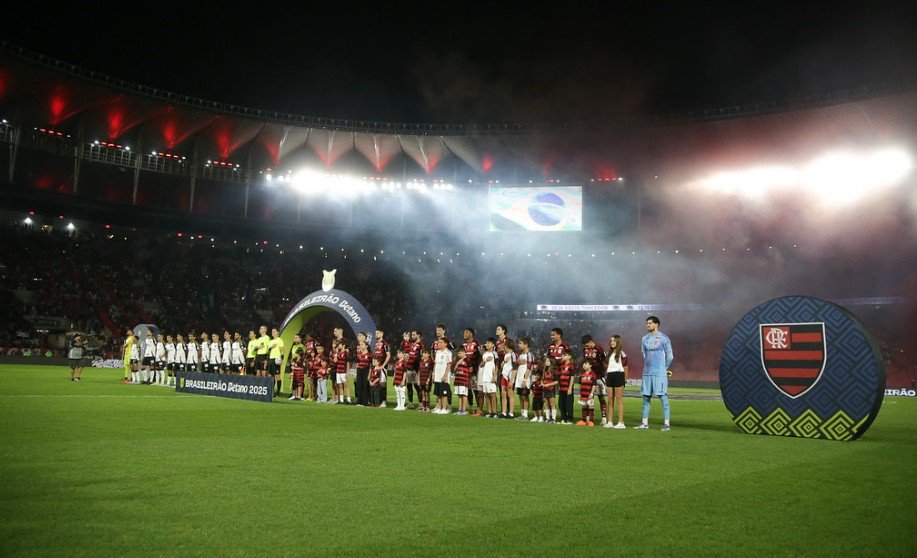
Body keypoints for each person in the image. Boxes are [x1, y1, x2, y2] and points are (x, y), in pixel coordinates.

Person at [635, 316, 674, 431]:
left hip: (659, 373)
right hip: (647, 372)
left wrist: (664, 367)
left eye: (650, 323)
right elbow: (644, 354)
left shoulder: (663, 337)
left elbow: (670, 356)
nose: (648, 325)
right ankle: (644, 423)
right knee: (646, 398)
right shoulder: (644, 339)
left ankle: (666, 424)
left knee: (663, 397)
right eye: (647, 323)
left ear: (657, 324)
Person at [582, 335, 608, 425]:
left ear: (591, 341)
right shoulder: (585, 349)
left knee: (601, 397)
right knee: (589, 397)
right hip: (589, 377)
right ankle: (589, 418)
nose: (586, 346)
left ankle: (604, 417)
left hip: (599, 376)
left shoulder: (599, 348)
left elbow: (605, 361)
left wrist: (603, 372)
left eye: (587, 344)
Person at [604, 335, 629, 429]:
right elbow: (606, 365)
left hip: (619, 375)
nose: (612, 342)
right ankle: (609, 421)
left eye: (614, 341)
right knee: (610, 400)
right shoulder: (608, 353)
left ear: (618, 342)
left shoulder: (622, 353)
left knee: (619, 400)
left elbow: (626, 367)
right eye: (611, 341)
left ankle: (621, 422)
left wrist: (625, 380)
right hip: (610, 375)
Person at [462, 328, 482, 416]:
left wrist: (476, 369)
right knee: (468, 390)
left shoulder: (477, 344)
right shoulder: (463, 344)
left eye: (466, 332)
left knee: (475, 390)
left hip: (474, 371)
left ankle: (479, 409)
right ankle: (470, 408)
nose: (464, 333)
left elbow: (481, 356)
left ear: (471, 334)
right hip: (465, 371)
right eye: (464, 332)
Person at [513, 336, 534, 420]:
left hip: (525, 379)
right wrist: (518, 362)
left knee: (525, 396)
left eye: (521, 343)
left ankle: (525, 415)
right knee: (520, 396)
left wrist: (525, 379)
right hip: (519, 378)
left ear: (526, 345)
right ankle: (522, 414)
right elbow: (516, 364)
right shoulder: (521, 355)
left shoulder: (529, 355)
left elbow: (529, 368)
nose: (519, 345)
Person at [479, 338, 498, 418]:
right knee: (486, 394)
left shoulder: (494, 353)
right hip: (485, 377)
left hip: (491, 377)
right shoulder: (485, 354)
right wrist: (485, 361)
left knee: (492, 395)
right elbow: (481, 365)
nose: (487, 344)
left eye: (489, 343)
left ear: (493, 345)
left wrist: (494, 376)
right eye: (486, 343)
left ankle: (495, 412)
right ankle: (489, 412)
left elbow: (497, 366)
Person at [432, 339, 453, 414]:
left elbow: (449, 364)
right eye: (438, 342)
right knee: (438, 393)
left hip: (443, 375)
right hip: (437, 375)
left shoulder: (448, 352)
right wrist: (433, 374)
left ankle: (444, 408)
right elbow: (435, 364)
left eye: (441, 342)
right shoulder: (437, 352)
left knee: (444, 393)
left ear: (445, 344)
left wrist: (445, 375)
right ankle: (439, 408)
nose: (439, 344)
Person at [373, 329, 392, 407]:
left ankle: (384, 401)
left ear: (382, 334)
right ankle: (378, 401)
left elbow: (388, 355)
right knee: (377, 384)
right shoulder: (375, 344)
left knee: (383, 383)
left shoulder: (385, 343)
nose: (376, 334)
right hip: (376, 367)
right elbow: (374, 356)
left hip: (382, 367)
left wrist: (383, 365)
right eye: (375, 333)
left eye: (377, 333)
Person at [577, 360, 598, 426]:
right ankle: (583, 420)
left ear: (590, 365)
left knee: (590, 406)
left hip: (589, 394)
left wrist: (591, 394)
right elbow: (580, 385)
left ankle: (591, 421)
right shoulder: (582, 374)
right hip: (583, 394)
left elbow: (594, 385)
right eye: (583, 364)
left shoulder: (593, 374)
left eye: (586, 364)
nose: (584, 365)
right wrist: (579, 393)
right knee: (584, 406)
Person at [499, 338, 517, 418]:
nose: (503, 346)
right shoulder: (506, 355)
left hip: (510, 377)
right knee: (503, 394)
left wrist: (512, 380)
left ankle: (511, 413)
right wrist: (503, 363)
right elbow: (503, 366)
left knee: (510, 395)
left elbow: (515, 367)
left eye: (504, 345)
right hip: (504, 375)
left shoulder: (513, 354)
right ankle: (503, 412)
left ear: (508, 346)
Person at [557, 350, 576, 424]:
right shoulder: (561, 366)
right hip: (561, 388)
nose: (562, 357)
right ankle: (563, 418)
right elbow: (559, 376)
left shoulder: (571, 366)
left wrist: (570, 388)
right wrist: (559, 385)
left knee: (569, 404)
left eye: (564, 355)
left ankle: (570, 419)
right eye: (562, 355)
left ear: (569, 357)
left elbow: (572, 377)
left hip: (568, 388)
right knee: (561, 404)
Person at [452, 347, 471, 415]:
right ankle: (459, 410)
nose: (458, 354)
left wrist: (466, 374)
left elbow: (471, 370)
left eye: (459, 353)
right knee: (459, 395)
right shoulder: (458, 360)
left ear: (463, 352)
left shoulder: (467, 360)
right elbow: (454, 370)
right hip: (458, 380)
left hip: (464, 381)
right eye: (457, 353)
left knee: (464, 395)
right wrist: (457, 364)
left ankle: (463, 410)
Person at [354, 335, 371, 406]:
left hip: (365, 370)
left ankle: (365, 402)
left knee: (365, 386)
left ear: (366, 346)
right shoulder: (359, 355)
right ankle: (359, 402)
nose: (360, 346)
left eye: (362, 345)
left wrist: (369, 375)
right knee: (358, 386)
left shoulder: (369, 355)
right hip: (359, 370)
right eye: (360, 345)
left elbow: (370, 366)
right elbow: (357, 364)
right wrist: (355, 373)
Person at [268, 327, 285, 397]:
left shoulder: (280, 340)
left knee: (277, 376)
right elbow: (268, 351)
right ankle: (272, 392)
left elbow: (282, 350)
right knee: (271, 376)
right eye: (272, 331)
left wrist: (281, 359)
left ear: (278, 332)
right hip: (271, 359)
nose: (272, 332)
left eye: (274, 331)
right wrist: (270, 347)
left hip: (276, 360)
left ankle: (278, 393)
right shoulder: (271, 341)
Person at [541, 358, 558, 423]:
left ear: (551, 362)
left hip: (551, 389)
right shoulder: (544, 370)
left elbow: (556, 381)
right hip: (545, 389)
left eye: (548, 361)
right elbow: (542, 379)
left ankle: (553, 419)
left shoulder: (554, 370)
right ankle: (547, 418)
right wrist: (542, 383)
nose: (546, 362)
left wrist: (548, 384)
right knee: (546, 404)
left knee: (552, 404)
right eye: (546, 361)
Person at [417, 348, 433, 412]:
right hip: (421, 379)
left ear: (429, 354)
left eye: (425, 353)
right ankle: (424, 407)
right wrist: (418, 380)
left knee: (427, 393)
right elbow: (419, 371)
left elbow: (431, 371)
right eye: (423, 353)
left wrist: (429, 379)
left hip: (427, 380)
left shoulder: (430, 361)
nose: (423, 354)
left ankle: (428, 407)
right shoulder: (421, 361)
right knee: (423, 393)